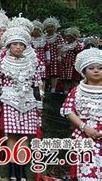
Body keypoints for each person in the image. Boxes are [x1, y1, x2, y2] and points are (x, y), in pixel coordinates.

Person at [0, 27, 44, 181]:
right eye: (14, 44)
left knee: (25, 135)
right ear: (8, 46)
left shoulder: (31, 63)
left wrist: (39, 104)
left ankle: (22, 168)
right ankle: (12, 169)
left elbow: (36, 84)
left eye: (21, 45)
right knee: (12, 135)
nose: (18, 47)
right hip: (9, 100)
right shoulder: (2, 62)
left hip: (28, 101)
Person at [60, 48, 101, 180]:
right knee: (86, 170)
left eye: (100, 68)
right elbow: (68, 110)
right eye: (91, 68)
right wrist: (84, 127)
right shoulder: (77, 91)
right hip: (84, 134)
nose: (96, 71)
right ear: (84, 72)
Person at [60, 27, 85, 94]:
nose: (67, 38)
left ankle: (76, 93)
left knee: (74, 79)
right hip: (65, 64)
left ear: (73, 37)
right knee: (66, 80)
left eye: (69, 36)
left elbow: (80, 55)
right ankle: (65, 93)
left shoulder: (77, 45)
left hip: (73, 65)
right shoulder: (65, 45)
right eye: (67, 36)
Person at [43, 17, 64, 93]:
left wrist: (59, 55)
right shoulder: (43, 37)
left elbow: (61, 47)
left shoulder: (58, 37)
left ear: (55, 28)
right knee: (45, 73)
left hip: (55, 56)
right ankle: (45, 88)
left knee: (54, 74)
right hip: (44, 56)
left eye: (52, 27)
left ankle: (53, 89)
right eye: (48, 27)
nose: (50, 29)